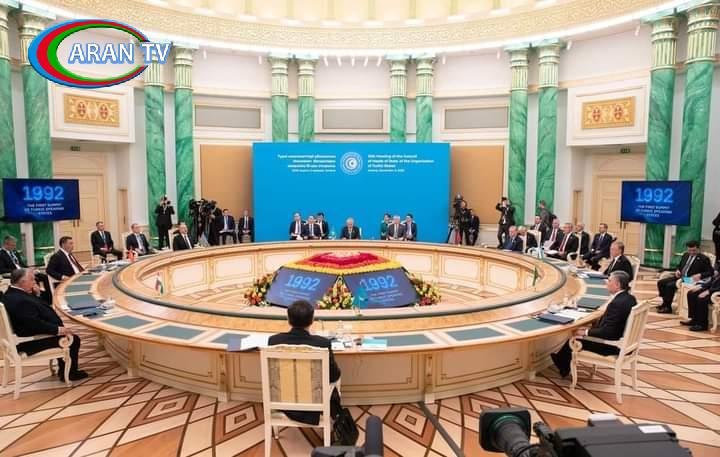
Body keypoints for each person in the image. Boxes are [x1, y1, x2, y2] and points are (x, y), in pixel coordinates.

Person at [4, 268, 88, 381]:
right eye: (32, 280)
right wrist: (57, 330)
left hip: (29, 334)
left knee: (64, 336)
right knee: (72, 340)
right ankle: (69, 374)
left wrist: (38, 294)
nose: (34, 282)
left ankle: (63, 370)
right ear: (22, 282)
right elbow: (34, 324)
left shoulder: (14, 293)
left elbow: (44, 304)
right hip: (29, 341)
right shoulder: (20, 300)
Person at [268, 300, 342, 425]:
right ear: (312, 320)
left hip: (283, 399)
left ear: (288, 319)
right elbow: (334, 376)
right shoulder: (322, 343)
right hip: (314, 401)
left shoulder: (274, 341)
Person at [551, 271, 636, 378]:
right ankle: (564, 365)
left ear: (617, 285)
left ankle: (563, 366)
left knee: (573, 340)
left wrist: (586, 332)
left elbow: (608, 332)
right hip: (626, 344)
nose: (607, 283)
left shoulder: (616, 303)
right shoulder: (630, 298)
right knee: (581, 332)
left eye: (609, 281)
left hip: (613, 346)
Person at [656, 240, 713, 314]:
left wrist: (700, 275)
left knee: (670, 286)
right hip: (680, 277)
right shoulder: (685, 255)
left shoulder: (703, 258)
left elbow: (710, 272)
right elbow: (680, 266)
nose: (691, 252)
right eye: (690, 250)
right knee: (661, 282)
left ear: (698, 249)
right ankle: (665, 302)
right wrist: (678, 270)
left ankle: (667, 307)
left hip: (690, 279)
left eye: (694, 250)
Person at [0, 236, 53, 304]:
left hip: (23, 271)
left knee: (44, 276)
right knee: (34, 280)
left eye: (15, 245)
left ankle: (49, 299)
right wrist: (18, 271)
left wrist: (29, 269)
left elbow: (22, 265)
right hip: (15, 274)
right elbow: (2, 270)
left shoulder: (15, 252)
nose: (14, 247)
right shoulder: (1, 254)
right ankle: (35, 300)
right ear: (6, 244)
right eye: (13, 245)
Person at [682, 265, 720, 332]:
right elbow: (712, 280)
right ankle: (694, 319)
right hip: (713, 289)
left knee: (702, 298)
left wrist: (709, 291)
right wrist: (701, 286)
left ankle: (702, 324)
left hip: (717, 293)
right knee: (691, 293)